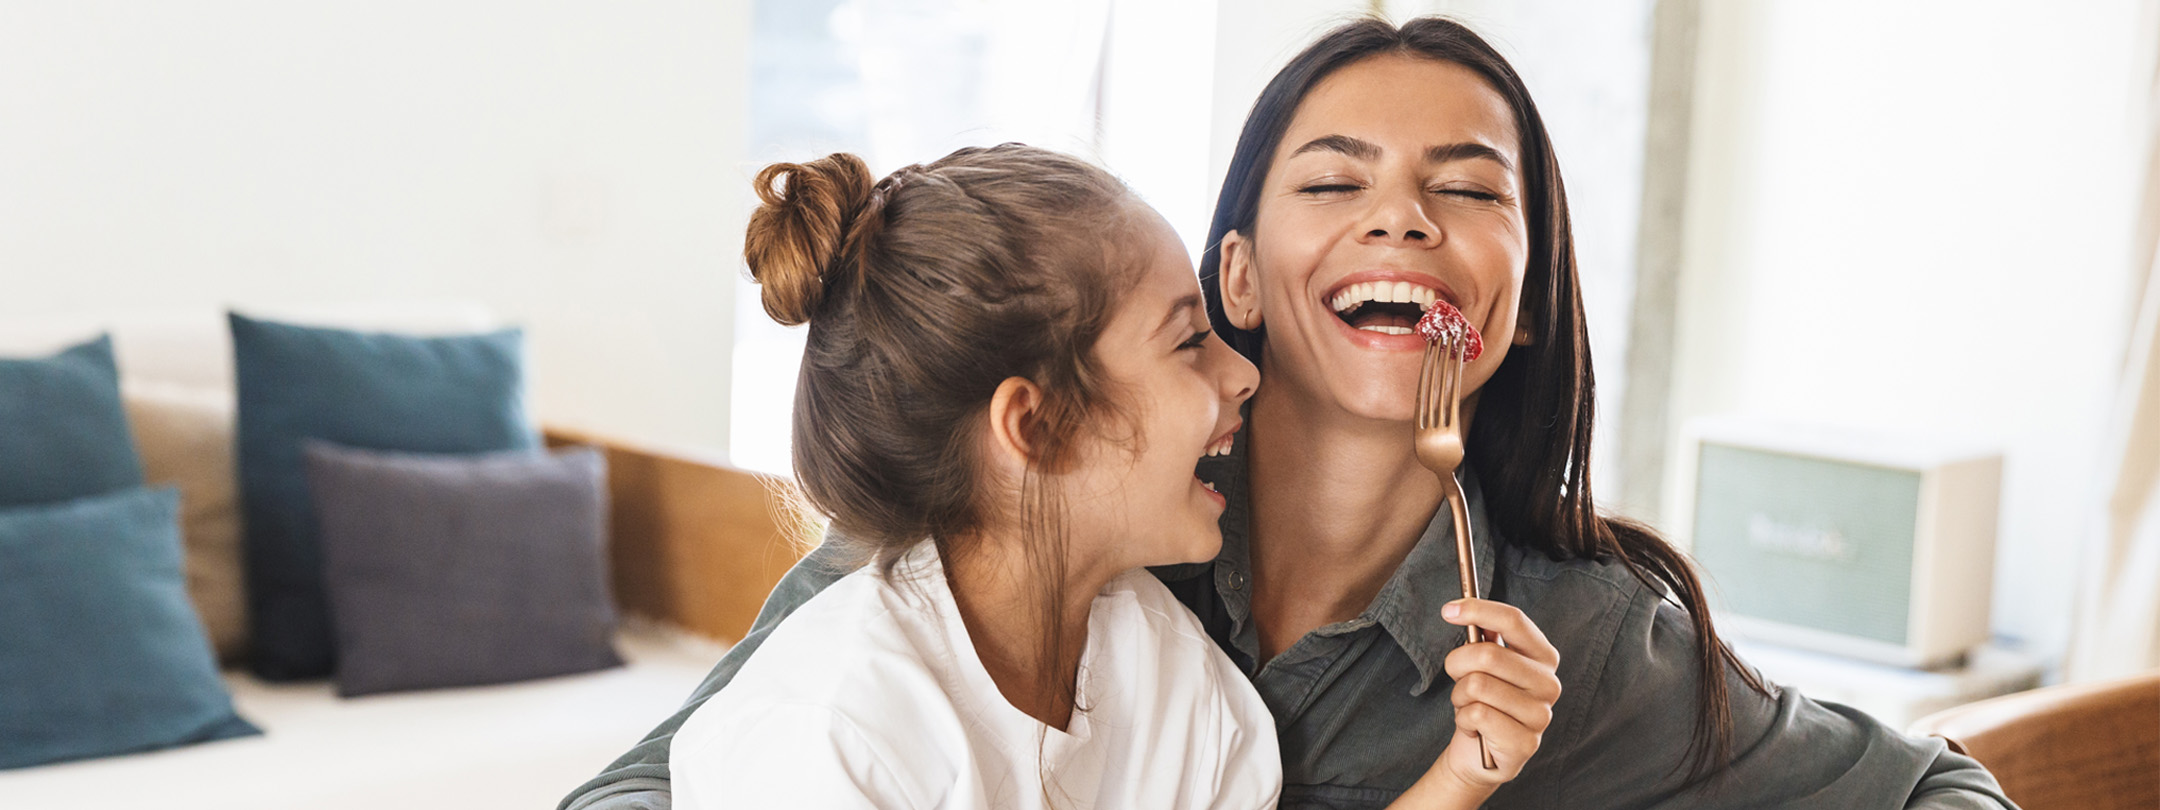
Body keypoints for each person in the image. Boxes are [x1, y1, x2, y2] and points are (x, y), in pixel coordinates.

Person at [565, 16, 2016, 810]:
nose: (1401, 213)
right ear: (1240, 277)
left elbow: (1935, 790)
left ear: (1526, 295)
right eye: (1335, 181)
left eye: (1466, 187)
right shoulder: (989, 542)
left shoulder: (1584, 641)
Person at [667, 143, 1558, 809]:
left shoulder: (1169, 674)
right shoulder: (832, 739)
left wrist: (1458, 779)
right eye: (1186, 342)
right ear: (1037, 424)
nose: (1242, 371)